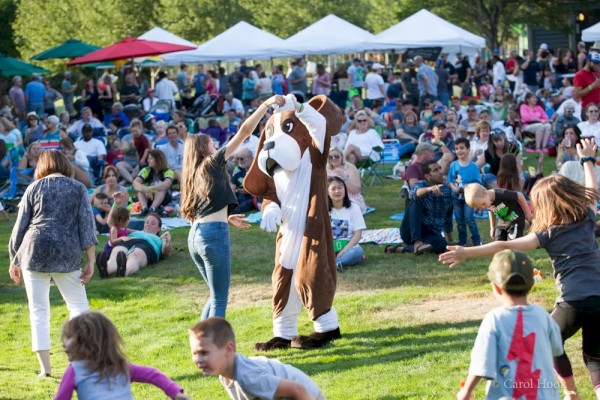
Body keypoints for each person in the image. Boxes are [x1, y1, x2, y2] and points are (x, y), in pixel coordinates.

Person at [440, 138, 600, 399]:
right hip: (599, 297)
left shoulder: (547, 234)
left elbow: (502, 246)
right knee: (595, 358)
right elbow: (592, 189)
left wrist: (466, 252)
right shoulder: (587, 217)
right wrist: (587, 160)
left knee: (546, 343)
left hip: (573, 300)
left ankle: (571, 393)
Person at [179, 95, 284, 319]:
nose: (215, 146)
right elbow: (245, 132)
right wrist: (265, 105)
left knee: (214, 295)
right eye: (211, 144)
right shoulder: (212, 162)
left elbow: (200, 209)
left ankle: (201, 345)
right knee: (220, 299)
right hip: (212, 236)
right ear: (203, 149)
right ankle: (216, 349)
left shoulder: (192, 173)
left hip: (195, 236)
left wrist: (226, 217)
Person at [8, 150, 97, 377]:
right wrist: (91, 259)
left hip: (33, 250)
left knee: (38, 311)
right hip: (66, 251)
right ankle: (84, 361)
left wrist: (13, 259)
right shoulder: (78, 188)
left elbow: (20, 227)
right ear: (65, 165)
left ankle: (44, 370)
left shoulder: (33, 188)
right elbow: (87, 226)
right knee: (78, 306)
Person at [456, 250, 565, 400]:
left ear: (495, 287)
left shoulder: (494, 319)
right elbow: (557, 351)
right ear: (532, 284)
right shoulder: (543, 316)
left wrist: (467, 390)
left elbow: (481, 361)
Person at [55, 311, 189, 400]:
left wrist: (175, 392)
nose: (63, 343)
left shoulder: (75, 370)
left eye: (68, 337)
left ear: (85, 340)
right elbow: (153, 374)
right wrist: (175, 392)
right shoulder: (119, 366)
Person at [188, 317, 325, 400]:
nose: (198, 359)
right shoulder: (225, 374)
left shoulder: (248, 376)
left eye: (204, 352)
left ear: (228, 349)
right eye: (195, 353)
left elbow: (298, 390)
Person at [392, 160, 453, 254]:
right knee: (415, 201)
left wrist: (449, 239)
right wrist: (429, 189)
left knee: (442, 245)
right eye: (435, 170)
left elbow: (448, 214)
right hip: (411, 230)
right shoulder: (420, 185)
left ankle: (401, 249)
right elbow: (415, 193)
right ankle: (417, 242)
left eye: (440, 169)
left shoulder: (447, 190)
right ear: (427, 176)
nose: (440, 172)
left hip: (430, 232)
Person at [100, 202, 172, 277]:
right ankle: (106, 270)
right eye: (147, 222)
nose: (149, 224)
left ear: (159, 228)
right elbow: (112, 223)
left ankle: (124, 271)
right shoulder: (135, 232)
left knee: (135, 255)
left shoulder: (159, 239)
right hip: (128, 241)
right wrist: (115, 203)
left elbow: (166, 253)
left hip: (147, 245)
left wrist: (167, 241)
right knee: (117, 253)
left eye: (153, 223)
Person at [464, 183, 531, 242]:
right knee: (498, 243)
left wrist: (527, 213)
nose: (483, 207)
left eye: (483, 204)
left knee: (512, 245)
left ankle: (526, 223)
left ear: (485, 193)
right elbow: (491, 210)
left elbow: (520, 195)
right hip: (502, 223)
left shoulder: (502, 194)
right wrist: (492, 227)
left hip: (515, 221)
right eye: (480, 207)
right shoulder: (487, 200)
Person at [447, 137, 481, 246]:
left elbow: (477, 182)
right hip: (456, 196)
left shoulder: (473, 166)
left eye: (462, 148)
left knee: (469, 218)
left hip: (469, 197)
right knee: (459, 220)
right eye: (456, 149)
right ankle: (462, 241)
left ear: (468, 150)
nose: (459, 151)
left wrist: (468, 186)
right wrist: (454, 188)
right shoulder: (453, 165)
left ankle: (476, 240)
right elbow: (450, 181)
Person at [328, 176, 366, 272]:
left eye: (340, 187)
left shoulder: (354, 208)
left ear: (345, 189)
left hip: (348, 247)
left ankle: (335, 263)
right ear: (327, 192)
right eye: (333, 189)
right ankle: (335, 263)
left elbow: (358, 234)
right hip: (328, 248)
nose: (337, 191)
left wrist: (344, 250)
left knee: (358, 252)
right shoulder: (323, 210)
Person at [133, 149, 174, 215]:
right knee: (140, 189)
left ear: (158, 160)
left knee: (161, 189)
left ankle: (153, 208)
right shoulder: (146, 170)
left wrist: (150, 188)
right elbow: (135, 183)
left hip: (164, 198)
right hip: (149, 196)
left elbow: (167, 184)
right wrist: (145, 190)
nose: (148, 161)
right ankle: (144, 208)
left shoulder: (168, 171)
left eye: (151, 158)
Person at [326, 146, 366, 213]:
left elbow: (356, 190)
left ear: (342, 157)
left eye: (336, 156)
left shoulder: (350, 168)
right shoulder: (327, 170)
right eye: (331, 157)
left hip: (351, 197)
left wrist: (344, 177)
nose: (334, 158)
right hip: (333, 197)